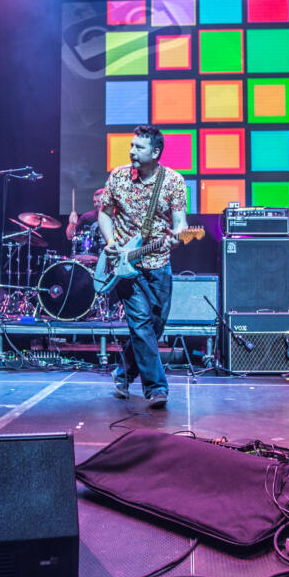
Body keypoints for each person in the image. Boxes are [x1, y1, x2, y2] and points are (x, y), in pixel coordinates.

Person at [99, 125, 188, 408]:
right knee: (140, 324)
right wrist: (111, 241)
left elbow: (181, 225)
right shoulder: (118, 177)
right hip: (125, 266)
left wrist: (177, 237)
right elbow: (104, 213)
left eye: (139, 147)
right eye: (131, 145)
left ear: (156, 152)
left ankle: (123, 373)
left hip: (159, 263)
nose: (132, 151)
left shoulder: (173, 181)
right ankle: (156, 388)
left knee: (155, 326)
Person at [66, 188, 106, 263]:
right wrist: (72, 223)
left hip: (109, 255)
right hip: (91, 256)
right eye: (94, 202)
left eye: (99, 201)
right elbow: (69, 236)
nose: (96, 204)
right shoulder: (86, 217)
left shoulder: (115, 217)